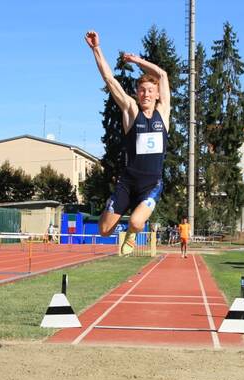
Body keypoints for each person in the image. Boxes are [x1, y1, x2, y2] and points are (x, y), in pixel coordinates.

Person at [85, 30, 170, 256]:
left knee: (136, 221)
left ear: (158, 94)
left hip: (151, 185)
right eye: (142, 90)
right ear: (137, 93)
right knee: (103, 230)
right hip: (126, 182)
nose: (146, 94)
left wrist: (136, 60)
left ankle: (131, 234)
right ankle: (112, 204)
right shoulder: (131, 111)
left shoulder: (164, 113)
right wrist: (96, 49)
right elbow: (109, 79)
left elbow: (162, 74)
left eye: (150, 91)